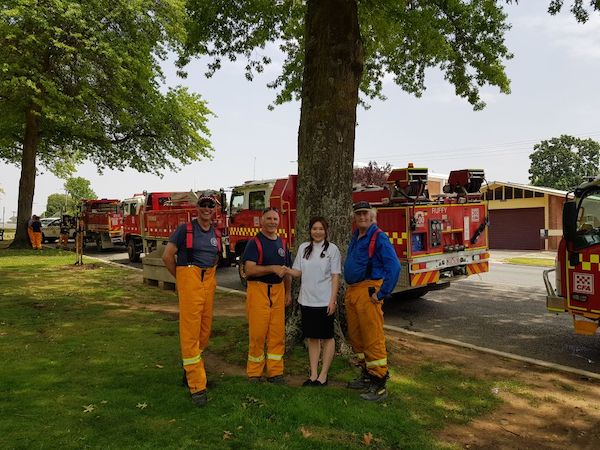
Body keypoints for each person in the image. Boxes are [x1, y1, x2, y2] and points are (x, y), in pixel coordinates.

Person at [162, 196, 221, 407]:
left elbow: (215, 258)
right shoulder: (184, 230)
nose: (206, 209)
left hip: (208, 283)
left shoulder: (216, 232)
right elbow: (168, 256)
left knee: (203, 332)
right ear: (197, 208)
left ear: (215, 210)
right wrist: (182, 280)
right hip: (191, 281)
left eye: (210, 206)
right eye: (203, 205)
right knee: (190, 333)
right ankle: (197, 386)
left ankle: (189, 372)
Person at [344, 201, 400, 401]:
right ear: (355, 217)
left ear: (372, 216)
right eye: (358, 214)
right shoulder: (356, 236)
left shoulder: (379, 237)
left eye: (365, 214)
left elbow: (394, 267)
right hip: (353, 292)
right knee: (357, 337)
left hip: (368, 292)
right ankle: (366, 375)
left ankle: (379, 383)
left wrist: (381, 293)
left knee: (372, 337)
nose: (362, 217)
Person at [287, 217, 341, 387]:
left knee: (327, 337)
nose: (317, 232)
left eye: (321, 229)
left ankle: (323, 375)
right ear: (310, 230)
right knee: (312, 338)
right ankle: (313, 374)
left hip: (324, 301)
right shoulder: (303, 248)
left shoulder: (332, 250)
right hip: (307, 300)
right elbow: (297, 272)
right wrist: (284, 269)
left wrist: (333, 300)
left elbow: (335, 277)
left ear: (326, 231)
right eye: (314, 229)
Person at [242, 207, 292, 383]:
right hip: (259, 290)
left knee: (277, 334)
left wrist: (288, 293)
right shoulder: (254, 243)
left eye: (275, 219)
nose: (272, 222)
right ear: (262, 221)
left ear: (279, 222)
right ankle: (254, 373)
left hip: (278, 291)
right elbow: (249, 269)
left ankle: (275, 372)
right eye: (269, 219)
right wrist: (271, 268)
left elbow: (286, 271)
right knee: (257, 333)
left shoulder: (283, 243)